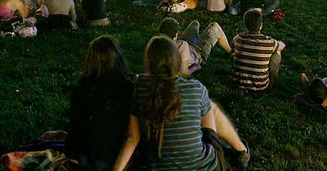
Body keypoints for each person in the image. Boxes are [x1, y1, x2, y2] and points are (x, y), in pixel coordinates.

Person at [112, 36, 250, 171]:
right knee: (210, 108)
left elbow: (132, 137)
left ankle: (238, 150)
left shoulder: (141, 86)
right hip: (203, 166)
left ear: (149, 63)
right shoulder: (196, 88)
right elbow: (209, 128)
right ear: (177, 61)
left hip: (158, 166)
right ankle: (241, 151)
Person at [65, 36, 134, 171]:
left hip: (79, 154)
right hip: (109, 157)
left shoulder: (81, 86)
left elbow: (74, 123)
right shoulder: (126, 87)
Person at [232, 8, 285, 91]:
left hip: (237, 83)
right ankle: (272, 81)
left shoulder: (238, 39)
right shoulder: (269, 42)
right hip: (260, 86)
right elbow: (282, 45)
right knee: (277, 51)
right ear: (261, 25)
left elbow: (234, 41)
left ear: (245, 24)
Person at [158, 18, 232, 77]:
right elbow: (183, 74)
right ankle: (231, 52)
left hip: (188, 47)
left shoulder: (158, 45)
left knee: (195, 24)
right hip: (199, 54)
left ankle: (198, 38)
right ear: (175, 34)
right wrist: (195, 67)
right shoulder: (182, 46)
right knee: (214, 27)